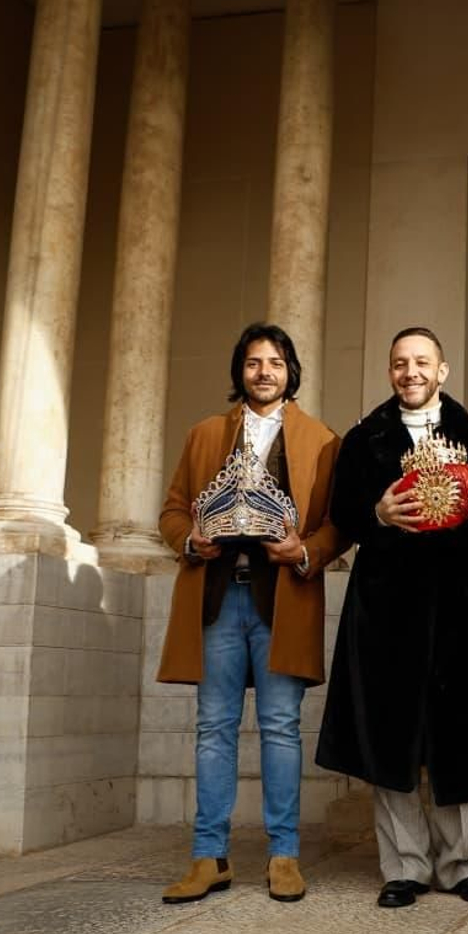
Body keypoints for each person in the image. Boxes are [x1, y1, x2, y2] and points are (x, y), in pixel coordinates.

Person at [315, 326, 468, 908]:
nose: (411, 373)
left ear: (442, 371)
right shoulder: (363, 437)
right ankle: (404, 866)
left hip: (455, 604)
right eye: (401, 363)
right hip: (385, 603)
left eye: (422, 362)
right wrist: (377, 511)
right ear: (390, 371)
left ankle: (462, 863)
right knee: (389, 731)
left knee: (460, 732)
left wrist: (458, 512)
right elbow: (342, 513)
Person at [157, 322, 346, 904]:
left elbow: (338, 525)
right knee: (213, 729)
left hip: (282, 597)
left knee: (281, 729)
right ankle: (208, 856)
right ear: (239, 371)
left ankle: (283, 855)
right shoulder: (204, 434)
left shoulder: (322, 439)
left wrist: (307, 551)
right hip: (218, 595)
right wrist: (191, 540)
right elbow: (169, 513)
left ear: (291, 372)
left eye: (275, 363)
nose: (264, 372)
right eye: (253, 363)